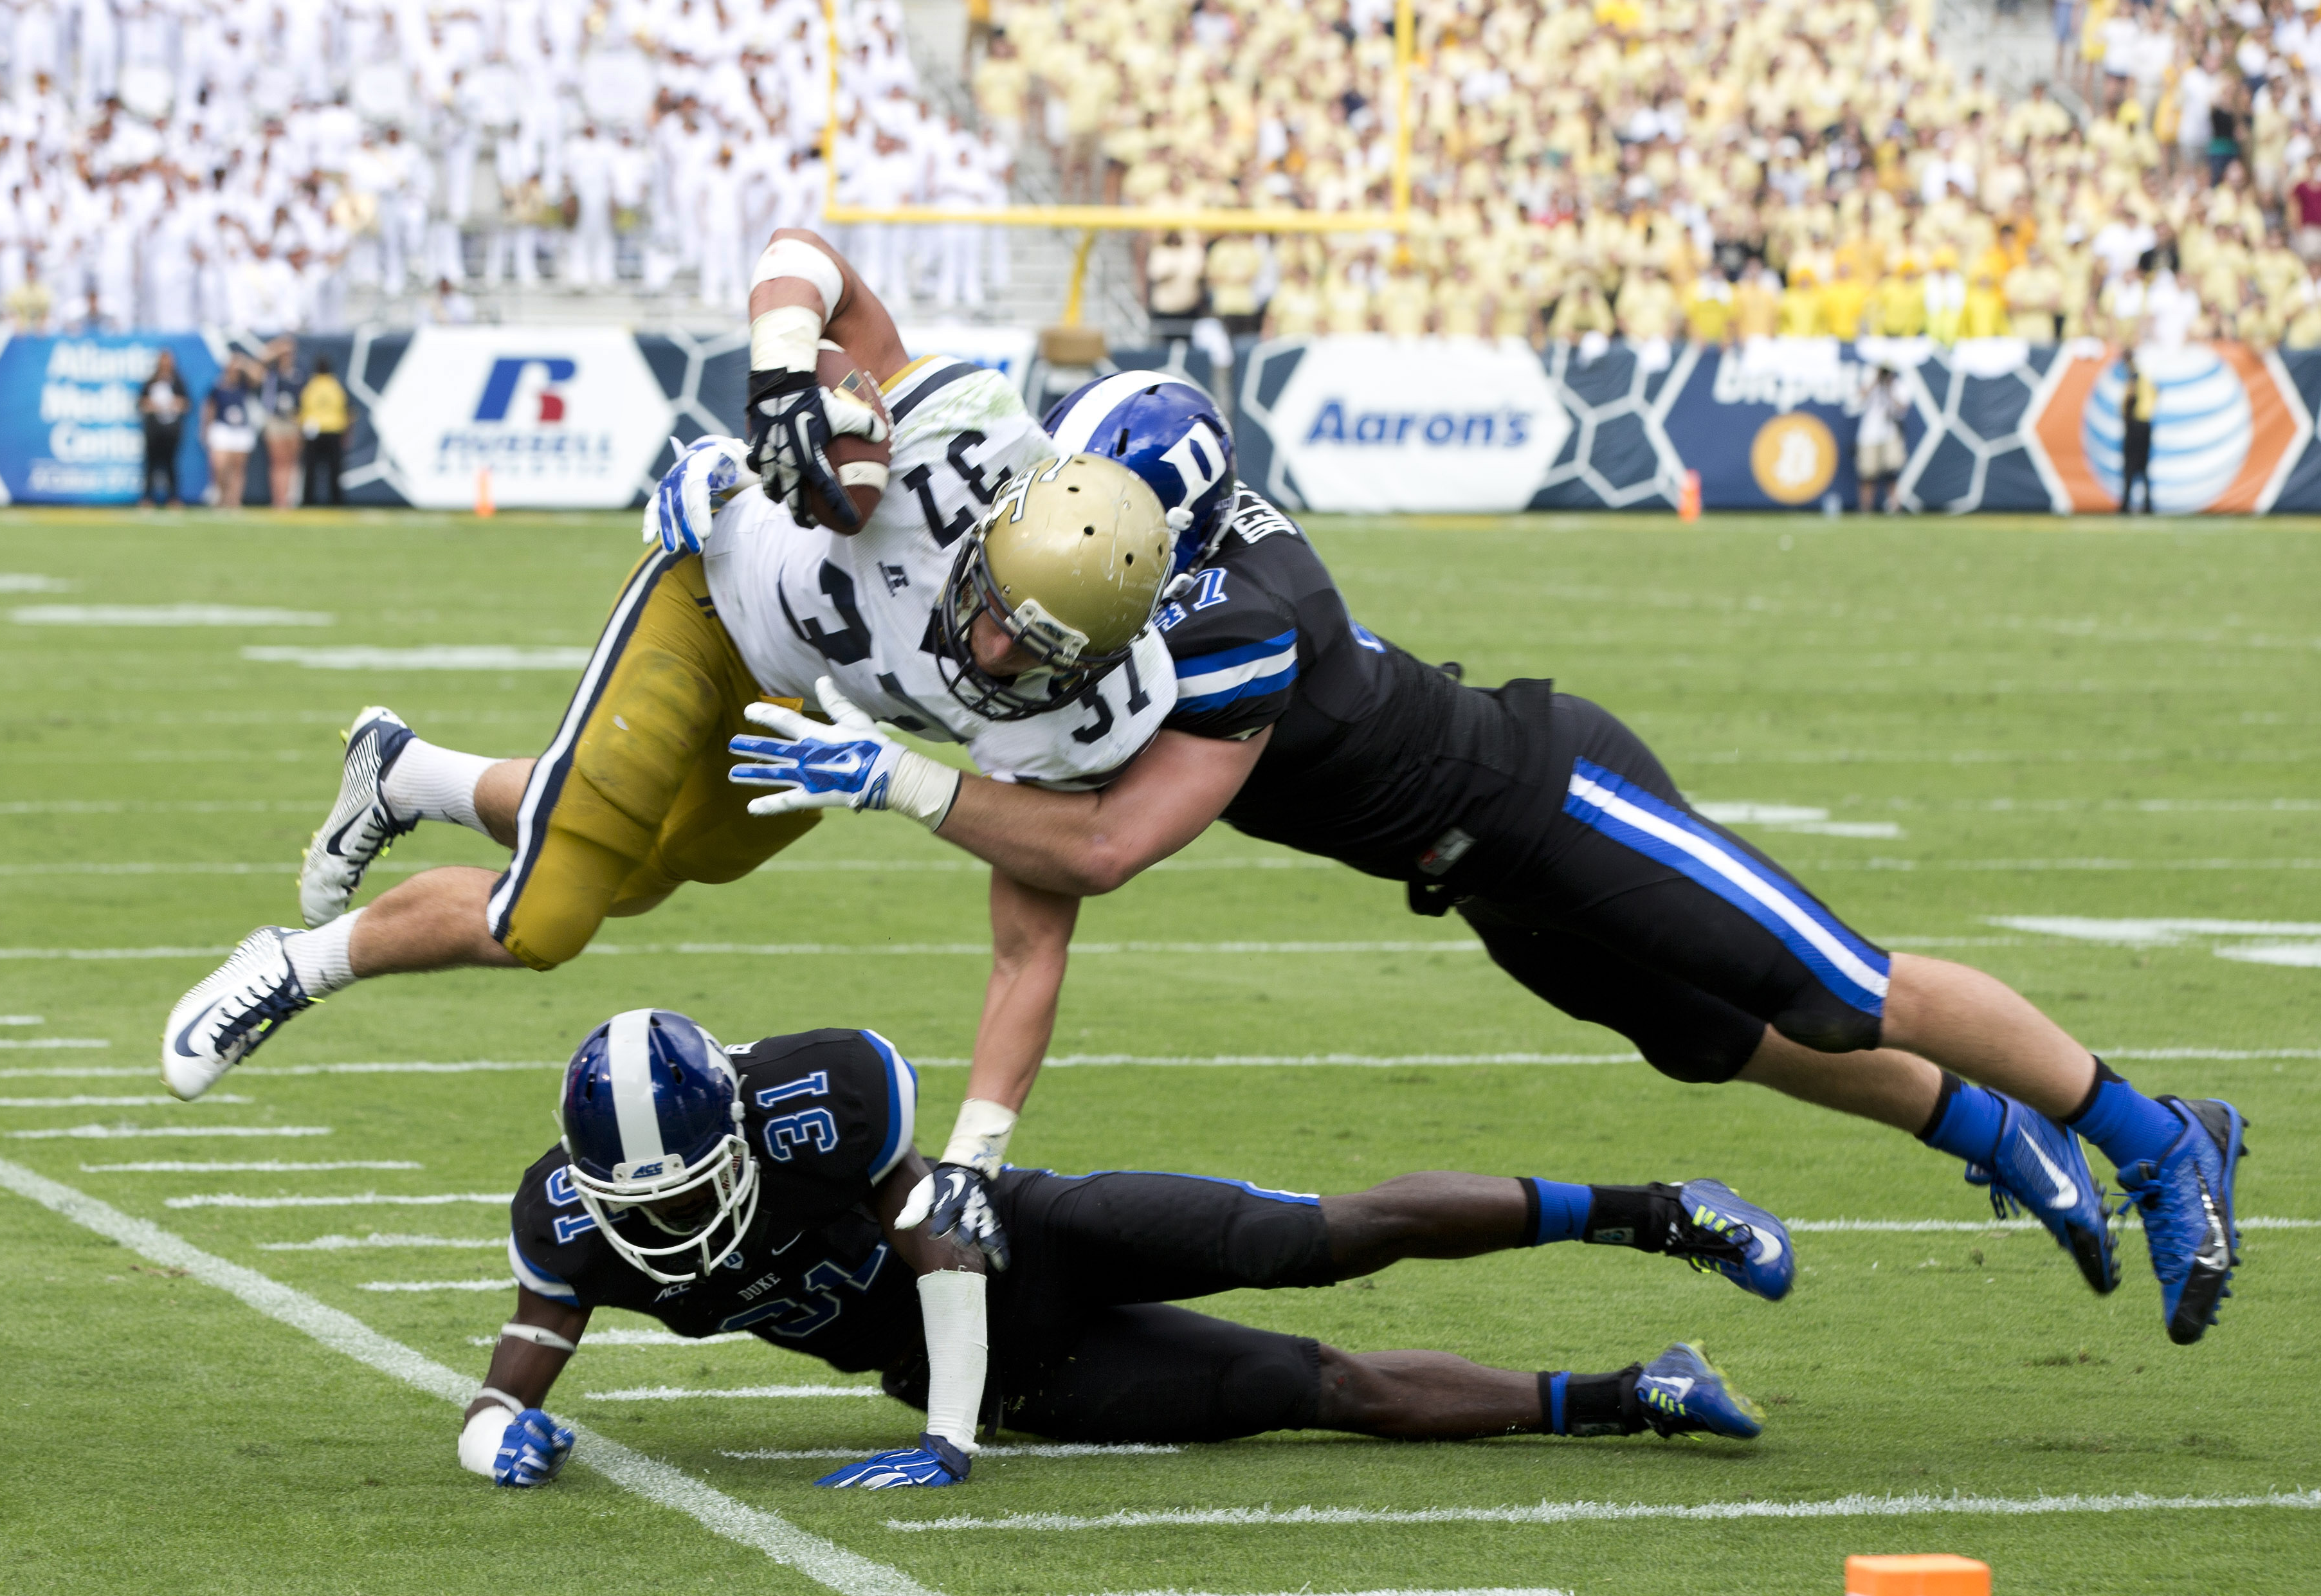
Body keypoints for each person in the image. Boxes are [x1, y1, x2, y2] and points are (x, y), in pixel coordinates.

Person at [727, 379, 2251, 1349]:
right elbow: (1031, 869)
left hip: (1544, 792)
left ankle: (2157, 1129)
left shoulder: (1241, 619)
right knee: (1723, 1038)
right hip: (1474, 875)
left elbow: (1104, 844)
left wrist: (902, 777)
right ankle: (1987, 1133)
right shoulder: (1079, 566)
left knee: (1840, 986)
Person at [158, 230, 1172, 1247]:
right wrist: (775, 389)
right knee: (547, 915)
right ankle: (294, 964)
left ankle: (405, 773)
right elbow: (807, 258)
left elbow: (1029, 943)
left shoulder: (1080, 713)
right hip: (708, 600)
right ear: (995, 527)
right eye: (993, 606)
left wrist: (972, 1163)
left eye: (1033, 649)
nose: (993, 648)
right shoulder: (964, 438)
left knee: (639, 873)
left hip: (808, 714)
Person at [459, 1008, 1776, 1489]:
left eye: (693, 1186)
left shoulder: (821, 1098)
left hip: (1032, 1243)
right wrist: (492, 1432)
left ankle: (1657, 1208)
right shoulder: (571, 1220)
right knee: (1304, 1384)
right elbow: (523, 1350)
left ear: (739, 1128)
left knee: (1311, 1238)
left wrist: (948, 1448)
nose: (673, 1222)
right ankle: (1633, 1394)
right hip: (1009, 1373)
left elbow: (949, 1255)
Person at [201, 355, 259, 509]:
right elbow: (210, 408)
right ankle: (221, 496)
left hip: (240, 429)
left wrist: (244, 364)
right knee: (220, 466)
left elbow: (259, 376)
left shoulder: (244, 385)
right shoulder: (218, 386)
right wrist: (205, 429)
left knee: (238, 468)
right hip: (223, 428)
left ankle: (234, 501)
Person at [138, 349, 188, 509]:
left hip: (171, 431)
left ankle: (173, 498)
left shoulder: (178, 382)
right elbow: (141, 403)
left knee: (171, 464)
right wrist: (154, 406)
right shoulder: (151, 381)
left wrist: (173, 404)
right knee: (151, 465)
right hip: (154, 431)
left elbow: (187, 404)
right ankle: (148, 498)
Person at [260, 340, 305, 509]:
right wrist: (279, 347)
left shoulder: (299, 372)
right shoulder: (272, 372)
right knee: (278, 463)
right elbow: (262, 357)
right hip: (275, 420)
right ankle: (278, 500)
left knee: (292, 463)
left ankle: (289, 499)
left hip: (293, 420)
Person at [300, 357, 350, 507]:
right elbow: (348, 410)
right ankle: (337, 501)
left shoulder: (310, 386)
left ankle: (308, 501)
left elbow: (302, 409)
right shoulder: (336, 386)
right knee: (335, 470)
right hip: (334, 430)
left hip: (313, 433)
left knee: (310, 470)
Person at [1855, 365, 1906, 512]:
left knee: (1892, 473)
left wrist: (1889, 388)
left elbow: (1902, 409)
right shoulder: (1870, 383)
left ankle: (1895, 507)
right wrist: (1874, 382)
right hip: (1869, 435)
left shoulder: (1898, 386)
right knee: (1867, 474)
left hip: (1889, 434)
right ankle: (1866, 508)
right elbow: (1858, 400)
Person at [2118, 347, 2157, 514]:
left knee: (2130, 466)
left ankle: (2126, 505)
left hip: (2135, 424)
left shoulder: (2134, 376)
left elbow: (2130, 397)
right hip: (2146, 423)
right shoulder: (2146, 377)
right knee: (2144, 467)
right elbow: (2157, 392)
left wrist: (2127, 415)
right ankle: (2147, 505)